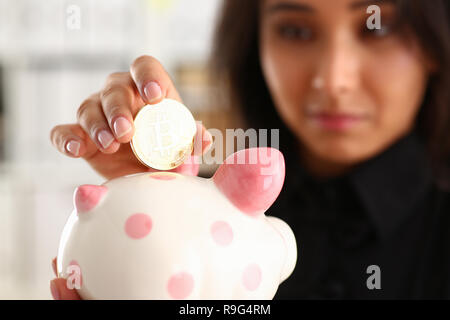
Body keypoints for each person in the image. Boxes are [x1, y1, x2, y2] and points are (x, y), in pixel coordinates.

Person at [49, 0, 450, 299]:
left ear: (436, 40)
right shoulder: (198, 199)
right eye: (295, 30)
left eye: (377, 29)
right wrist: (147, 204)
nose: (333, 79)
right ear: (253, 43)